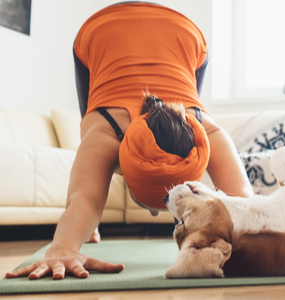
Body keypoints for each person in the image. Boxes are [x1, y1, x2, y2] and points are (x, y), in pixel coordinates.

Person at [5, 2, 253, 280]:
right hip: (99, 31)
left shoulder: (206, 133)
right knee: (89, 126)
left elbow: (247, 207)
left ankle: (86, 224)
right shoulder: (106, 131)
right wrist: (62, 247)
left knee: (92, 147)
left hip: (186, 36)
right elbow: (85, 199)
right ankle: (85, 226)